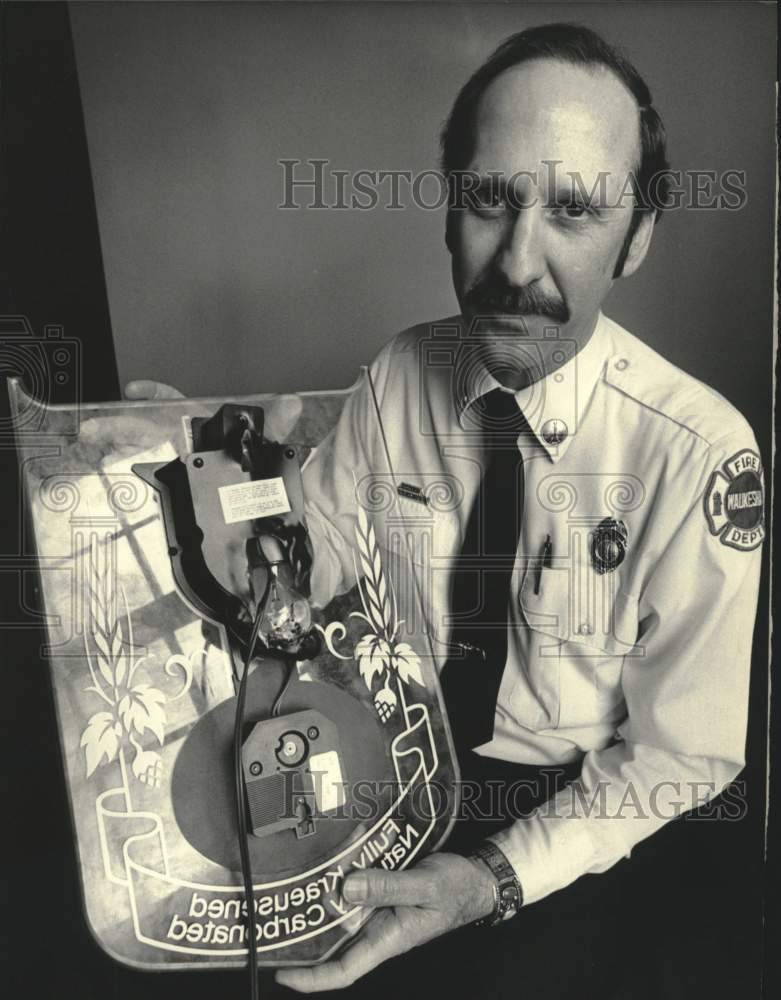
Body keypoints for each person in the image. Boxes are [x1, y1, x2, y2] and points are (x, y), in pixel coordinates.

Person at [127, 23, 764, 998]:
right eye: (489, 200)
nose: (515, 261)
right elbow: (315, 562)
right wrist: (203, 486)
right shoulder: (398, 374)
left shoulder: (699, 452)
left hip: (576, 821)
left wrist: (496, 879)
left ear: (634, 239)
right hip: (394, 767)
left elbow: (683, 754)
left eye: (573, 210)